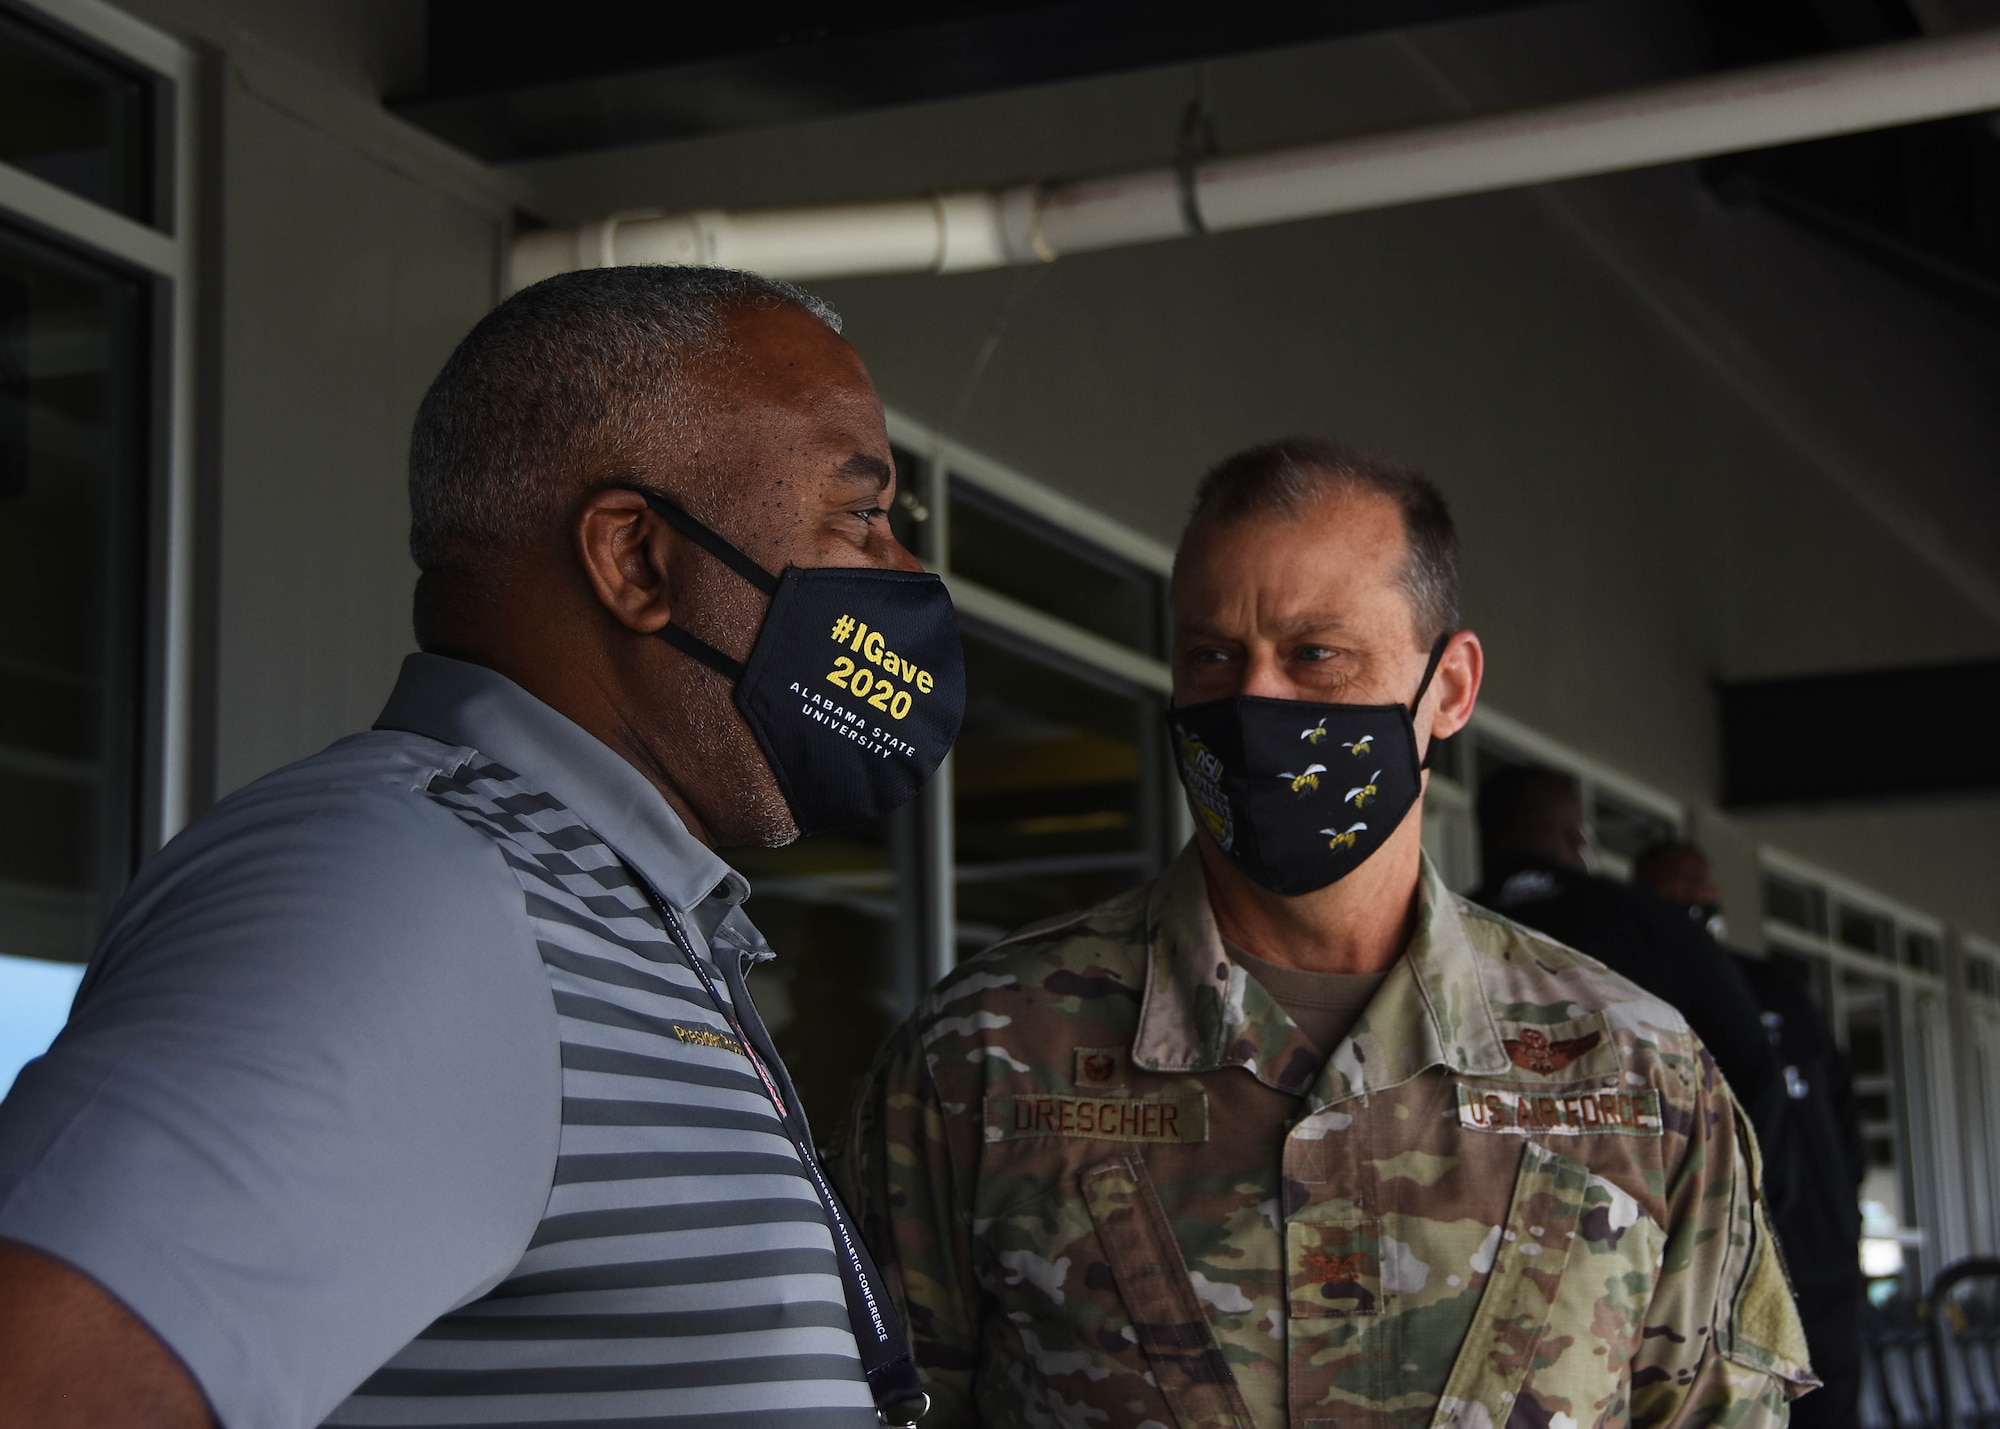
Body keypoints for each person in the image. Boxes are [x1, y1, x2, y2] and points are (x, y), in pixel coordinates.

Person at [0, 267, 959, 1428]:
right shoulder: (411, 890)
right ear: (639, 561)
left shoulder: (606, 907)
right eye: (858, 513)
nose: (902, 573)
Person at [844, 437, 1815, 1427]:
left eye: (1314, 655)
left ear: (1448, 689)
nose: (1255, 700)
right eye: (1212, 655)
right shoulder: (983, 1057)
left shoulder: (1635, 1076)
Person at [1465, 767, 1793, 1216]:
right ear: (1576, 834)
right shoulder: (1652, 924)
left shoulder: (1434, 934)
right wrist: (1731, 1213)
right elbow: (1752, 1073)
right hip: (1631, 1226)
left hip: (1479, 1214)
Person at [1636, 841, 1867, 1429]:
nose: (1695, 895)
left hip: (1822, 1261)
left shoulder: (1776, 987)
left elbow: (1841, 1114)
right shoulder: (1645, 994)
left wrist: (1847, 1218)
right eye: (1676, 883)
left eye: (1701, 882)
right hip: (1728, 1272)